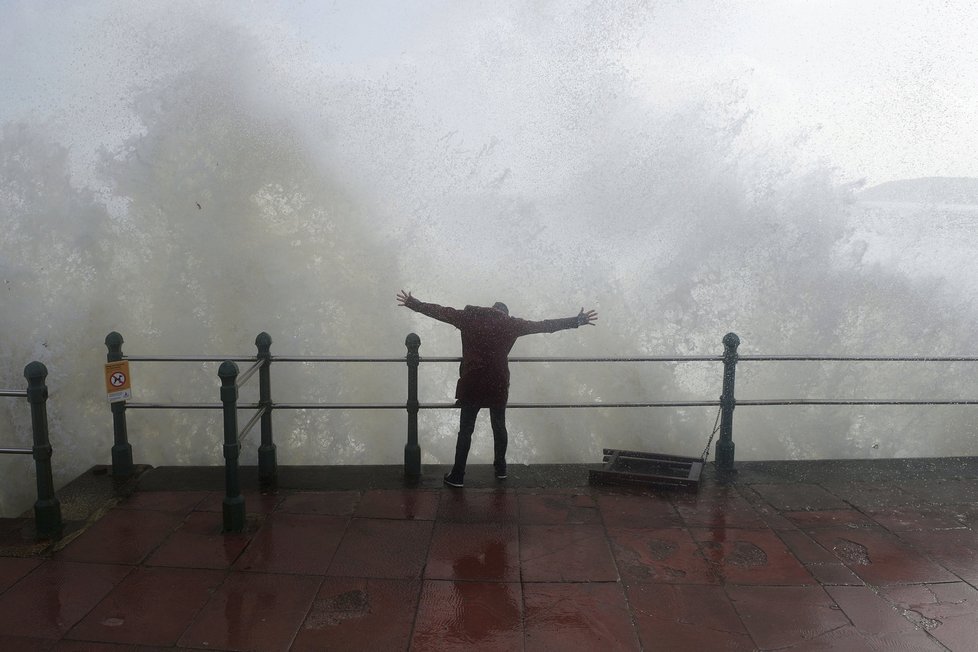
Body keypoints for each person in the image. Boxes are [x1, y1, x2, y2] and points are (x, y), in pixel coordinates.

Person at [396, 290, 598, 488]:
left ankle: (457, 475)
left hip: (472, 381)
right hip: (497, 382)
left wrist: (413, 303)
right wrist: (576, 320)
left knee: (466, 430)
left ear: (491, 309)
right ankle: (501, 469)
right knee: (499, 426)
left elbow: (439, 311)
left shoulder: (469, 317)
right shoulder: (511, 324)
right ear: (505, 313)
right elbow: (545, 326)